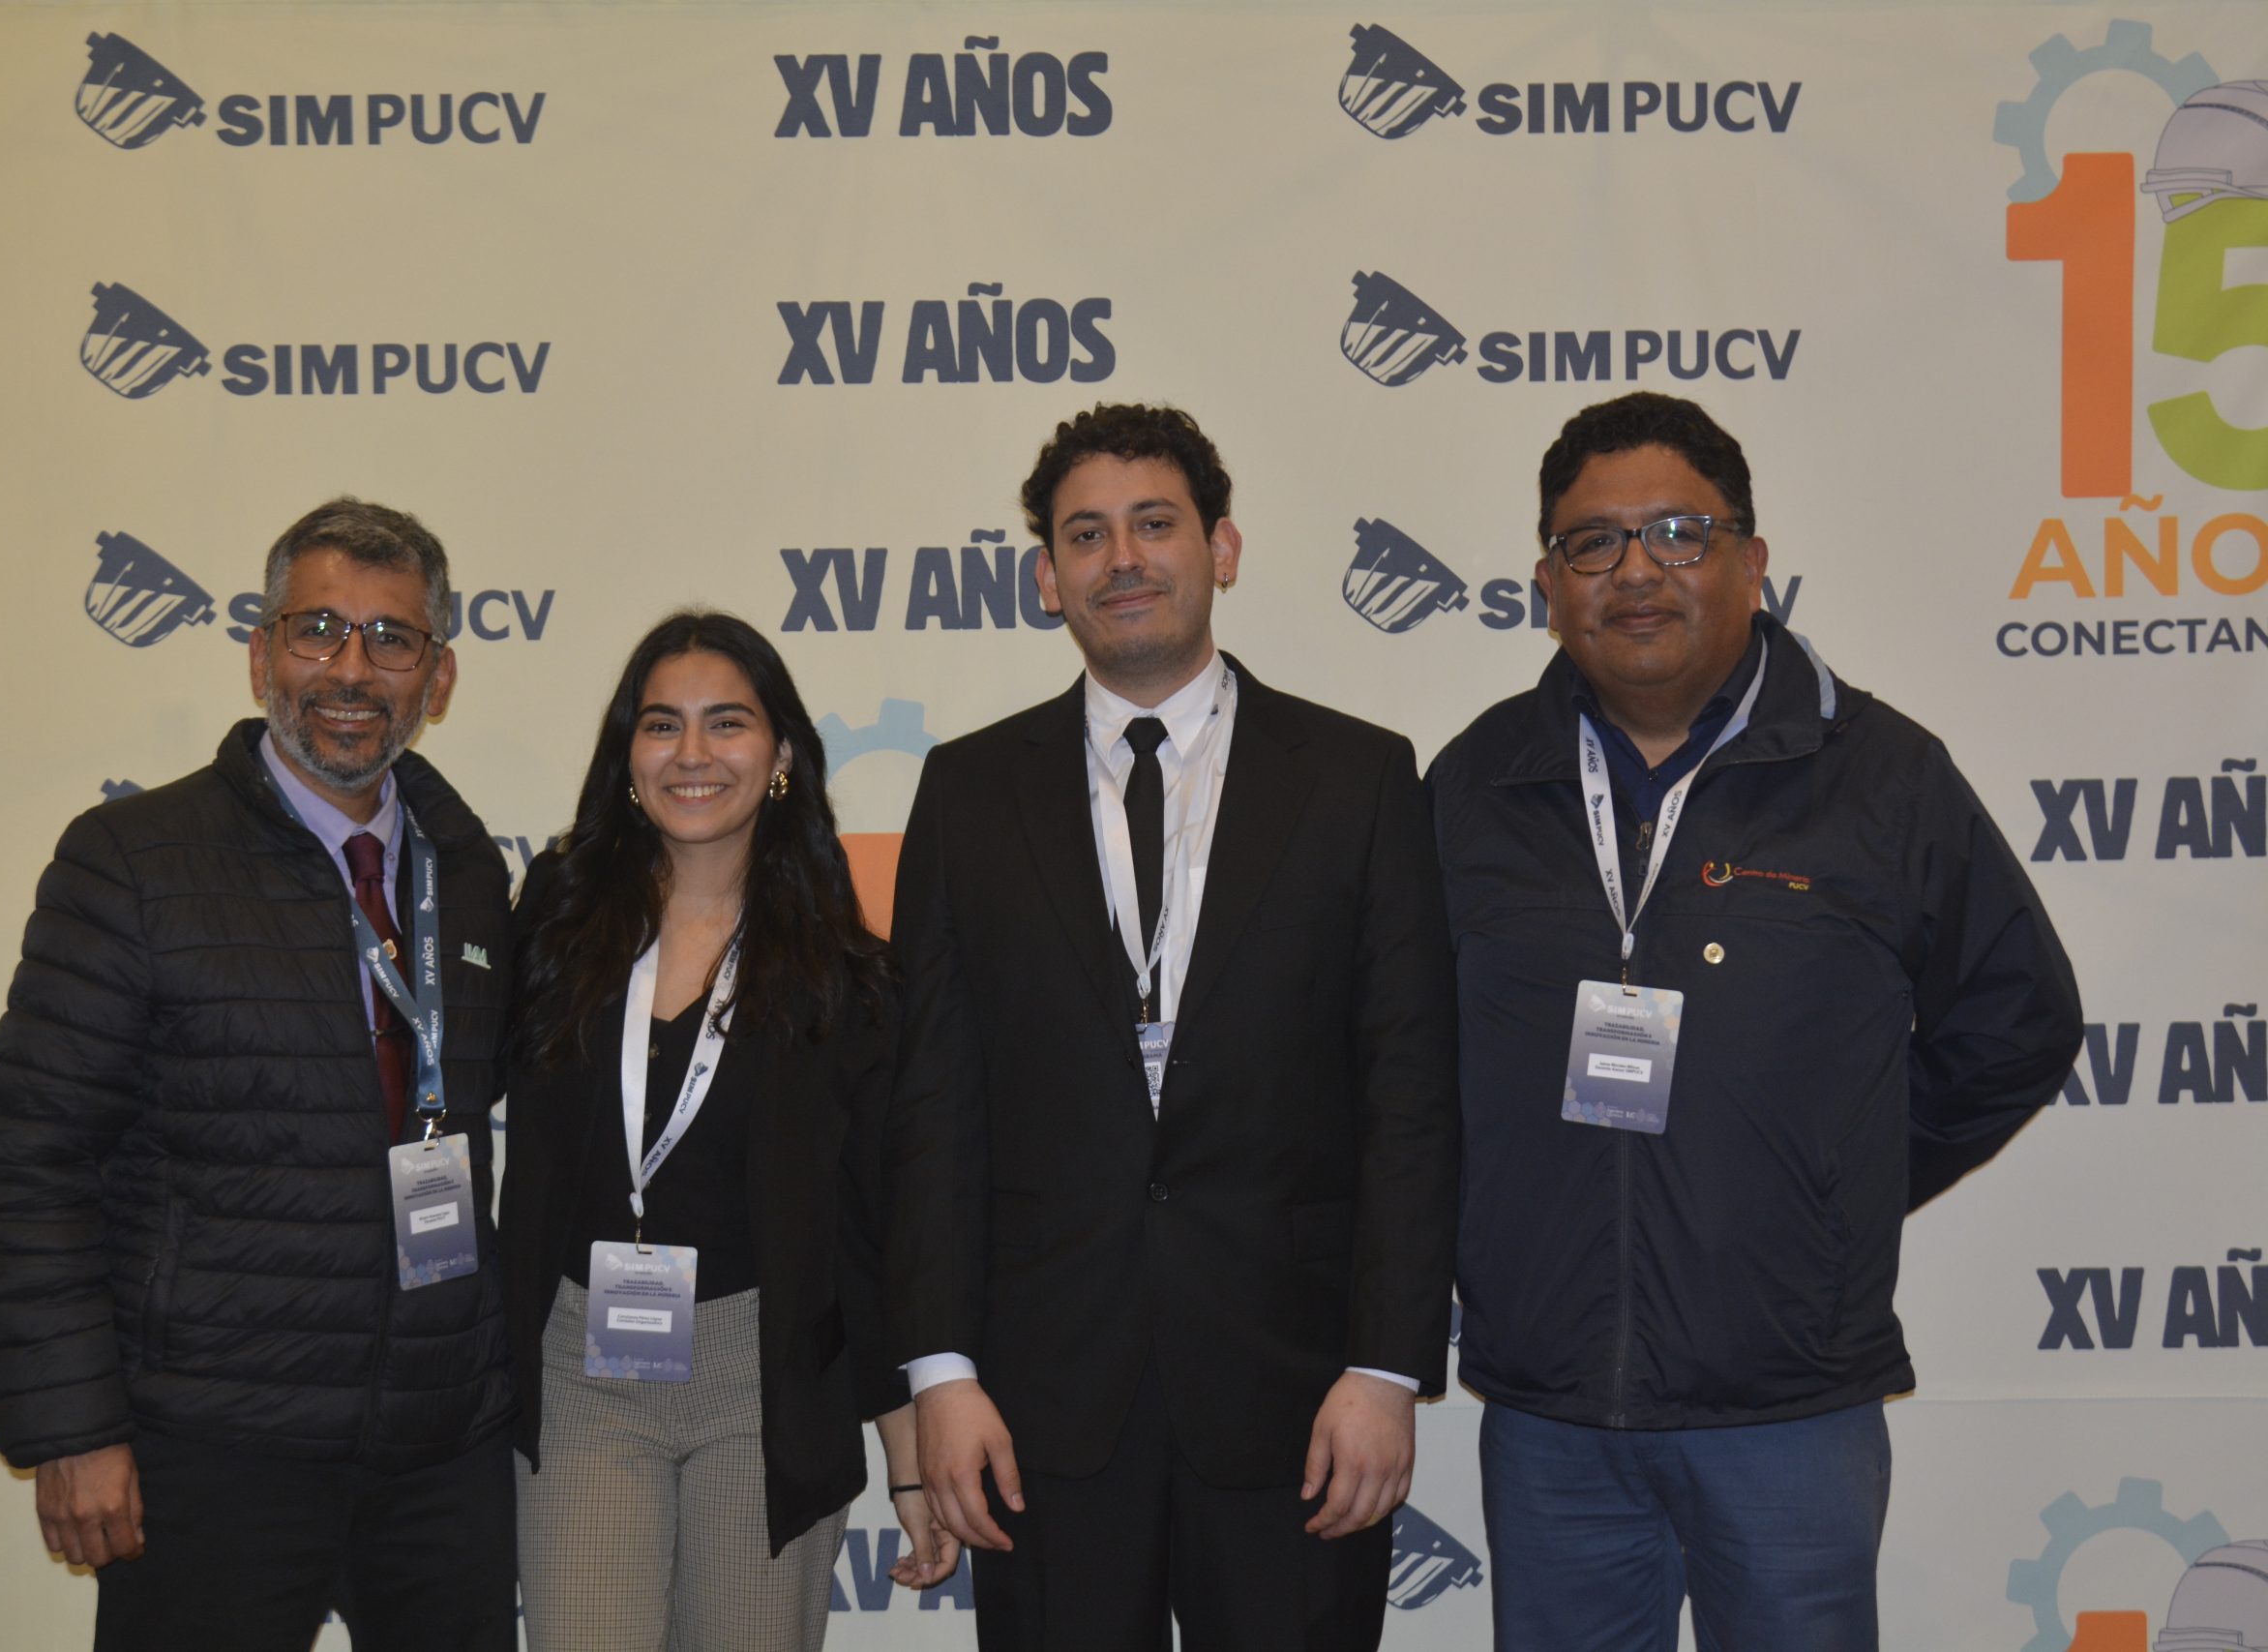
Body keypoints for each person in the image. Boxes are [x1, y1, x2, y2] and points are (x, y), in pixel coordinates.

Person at [1428, 392, 2083, 1651]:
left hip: (1789, 1410)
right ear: (1548, 584)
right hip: (1552, 1416)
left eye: (1679, 532)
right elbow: (1400, 1059)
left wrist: (1838, 1177)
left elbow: (2018, 1021)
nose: (1636, 571)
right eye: (1592, 542)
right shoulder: (1477, 783)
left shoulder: (1881, 775)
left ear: (1752, 560)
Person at [885, 403, 1460, 1651]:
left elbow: (1408, 1094)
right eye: (1085, 535)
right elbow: (932, 1100)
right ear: (1048, 577)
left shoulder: (1357, 778)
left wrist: (1385, 1369)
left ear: (1222, 548)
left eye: (1154, 524)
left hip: (1297, 1396)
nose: (1123, 559)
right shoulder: (968, 790)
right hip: (1040, 1403)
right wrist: (940, 1372)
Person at [0, 498, 518, 1650]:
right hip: (213, 1447)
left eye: (391, 638)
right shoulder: (132, 862)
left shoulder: (468, 875)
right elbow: (33, 1157)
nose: (351, 669)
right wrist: (74, 1427)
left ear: (439, 678)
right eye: (317, 630)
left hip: (438, 1453)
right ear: (261, 655)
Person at [499, 611, 953, 1650]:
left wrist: (908, 1454)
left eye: (728, 723)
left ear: (781, 754)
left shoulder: (846, 975)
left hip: (765, 1379)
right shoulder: (555, 920)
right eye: (662, 725)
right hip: (581, 1370)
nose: (692, 754)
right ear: (627, 756)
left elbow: (867, 1234)